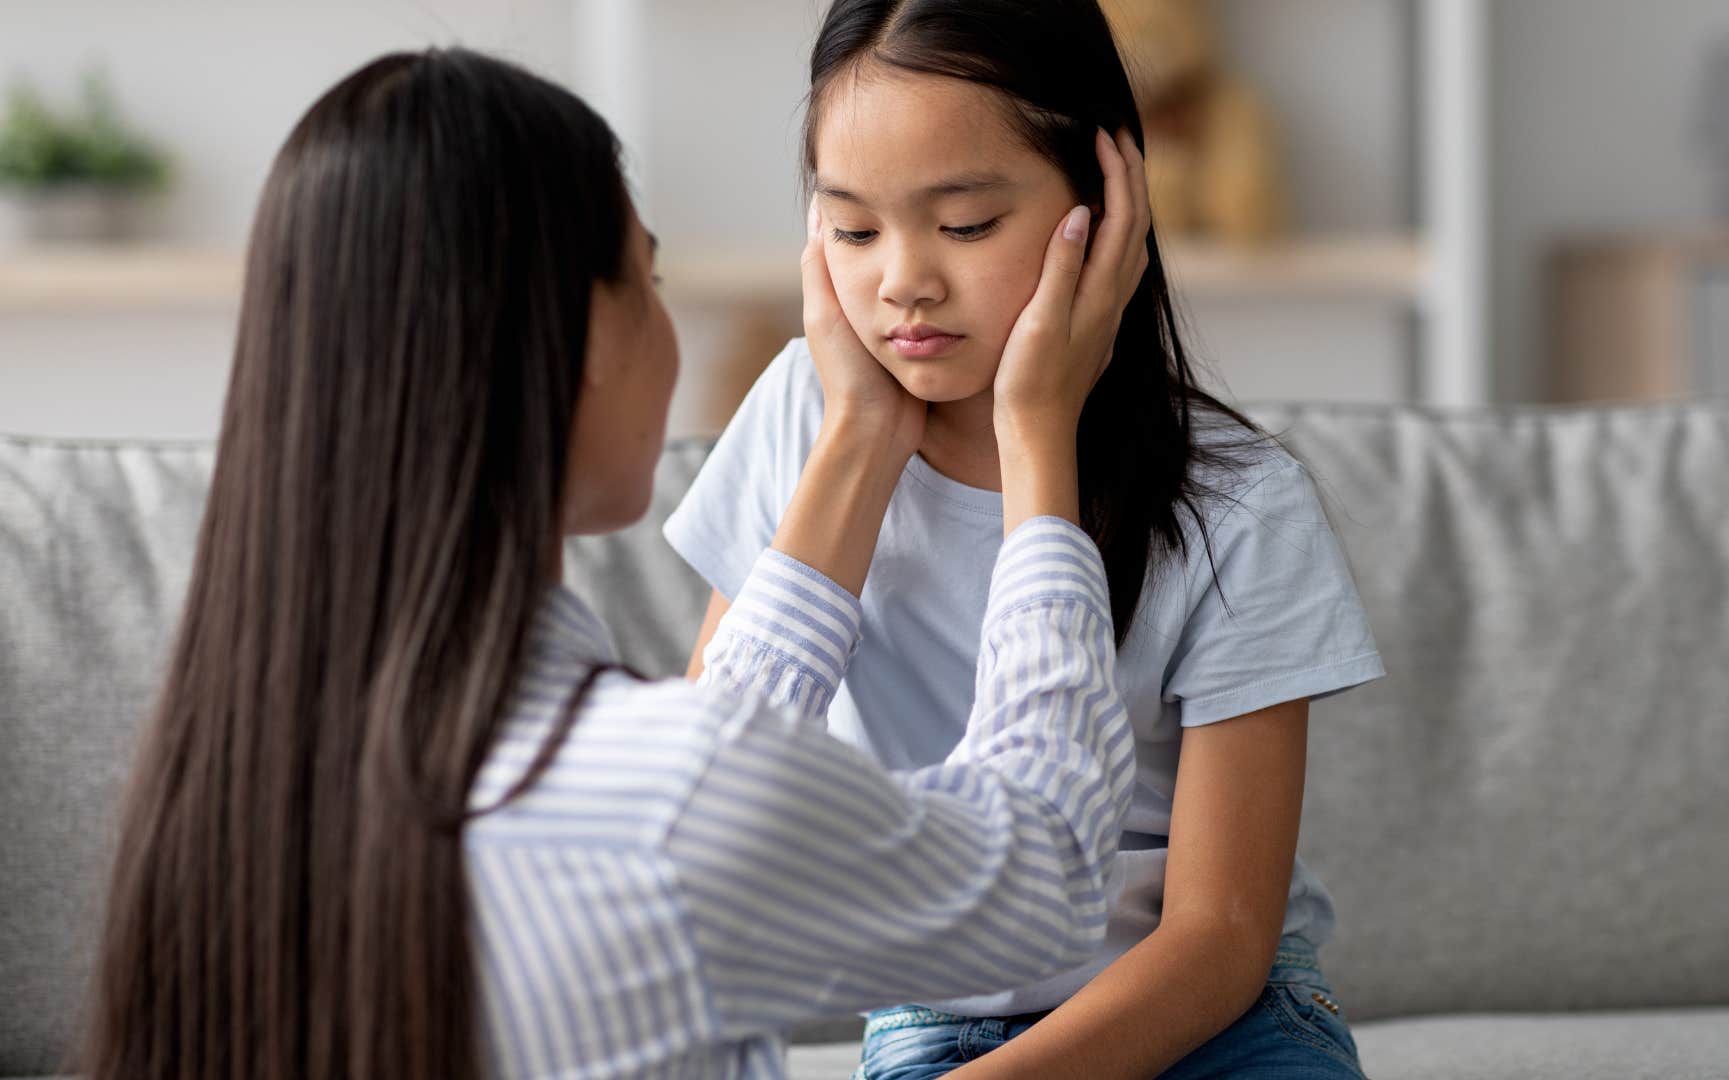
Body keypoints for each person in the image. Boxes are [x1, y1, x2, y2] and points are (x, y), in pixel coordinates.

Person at [80, 47, 1148, 1079]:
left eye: (963, 224)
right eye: (650, 278)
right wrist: (1039, 441)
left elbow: (711, 786)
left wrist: (861, 437)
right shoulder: (669, 794)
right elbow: (1041, 875)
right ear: (584, 338)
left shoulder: (220, 778)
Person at [664, 2, 1385, 1076]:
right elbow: (704, 799)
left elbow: (1220, 940)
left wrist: (1035, 427)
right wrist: (859, 438)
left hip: (1215, 1020)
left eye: (963, 226)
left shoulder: (1240, 502)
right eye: (853, 229)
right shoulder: (796, 422)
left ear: (1106, 206)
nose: (903, 278)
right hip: (941, 1020)